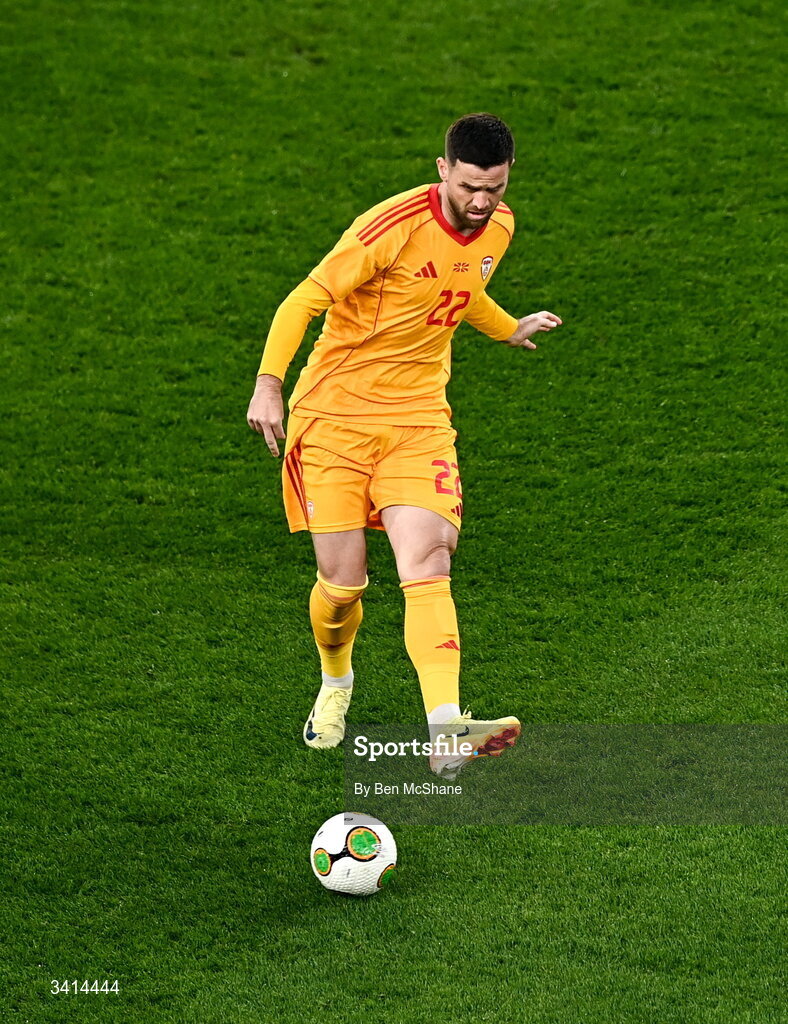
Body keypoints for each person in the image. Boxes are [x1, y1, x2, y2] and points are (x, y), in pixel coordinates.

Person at [247, 113, 562, 778]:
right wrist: (268, 384)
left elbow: (457, 290)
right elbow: (303, 299)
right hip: (333, 422)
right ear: (443, 169)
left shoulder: (499, 228)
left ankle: (446, 728)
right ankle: (336, 686)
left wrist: (505, 328)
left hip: (419, 422)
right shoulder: (388, 227)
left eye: (496, 188)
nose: (482, 202)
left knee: (429, 561)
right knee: (343, 584)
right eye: (471, 186)